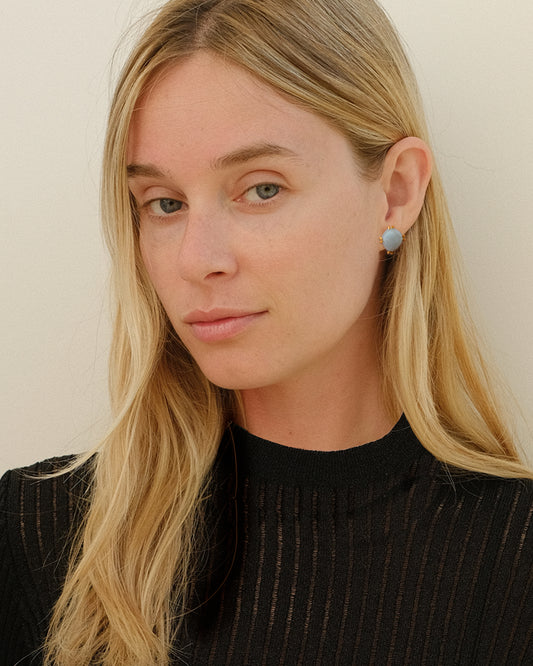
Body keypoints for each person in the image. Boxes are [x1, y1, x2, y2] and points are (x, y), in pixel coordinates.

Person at [1, 0, 532, 664]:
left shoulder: (513, 563)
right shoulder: (39, 537)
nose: (197, 259)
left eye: (260, 190)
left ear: (396, 192)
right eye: (164, 203)